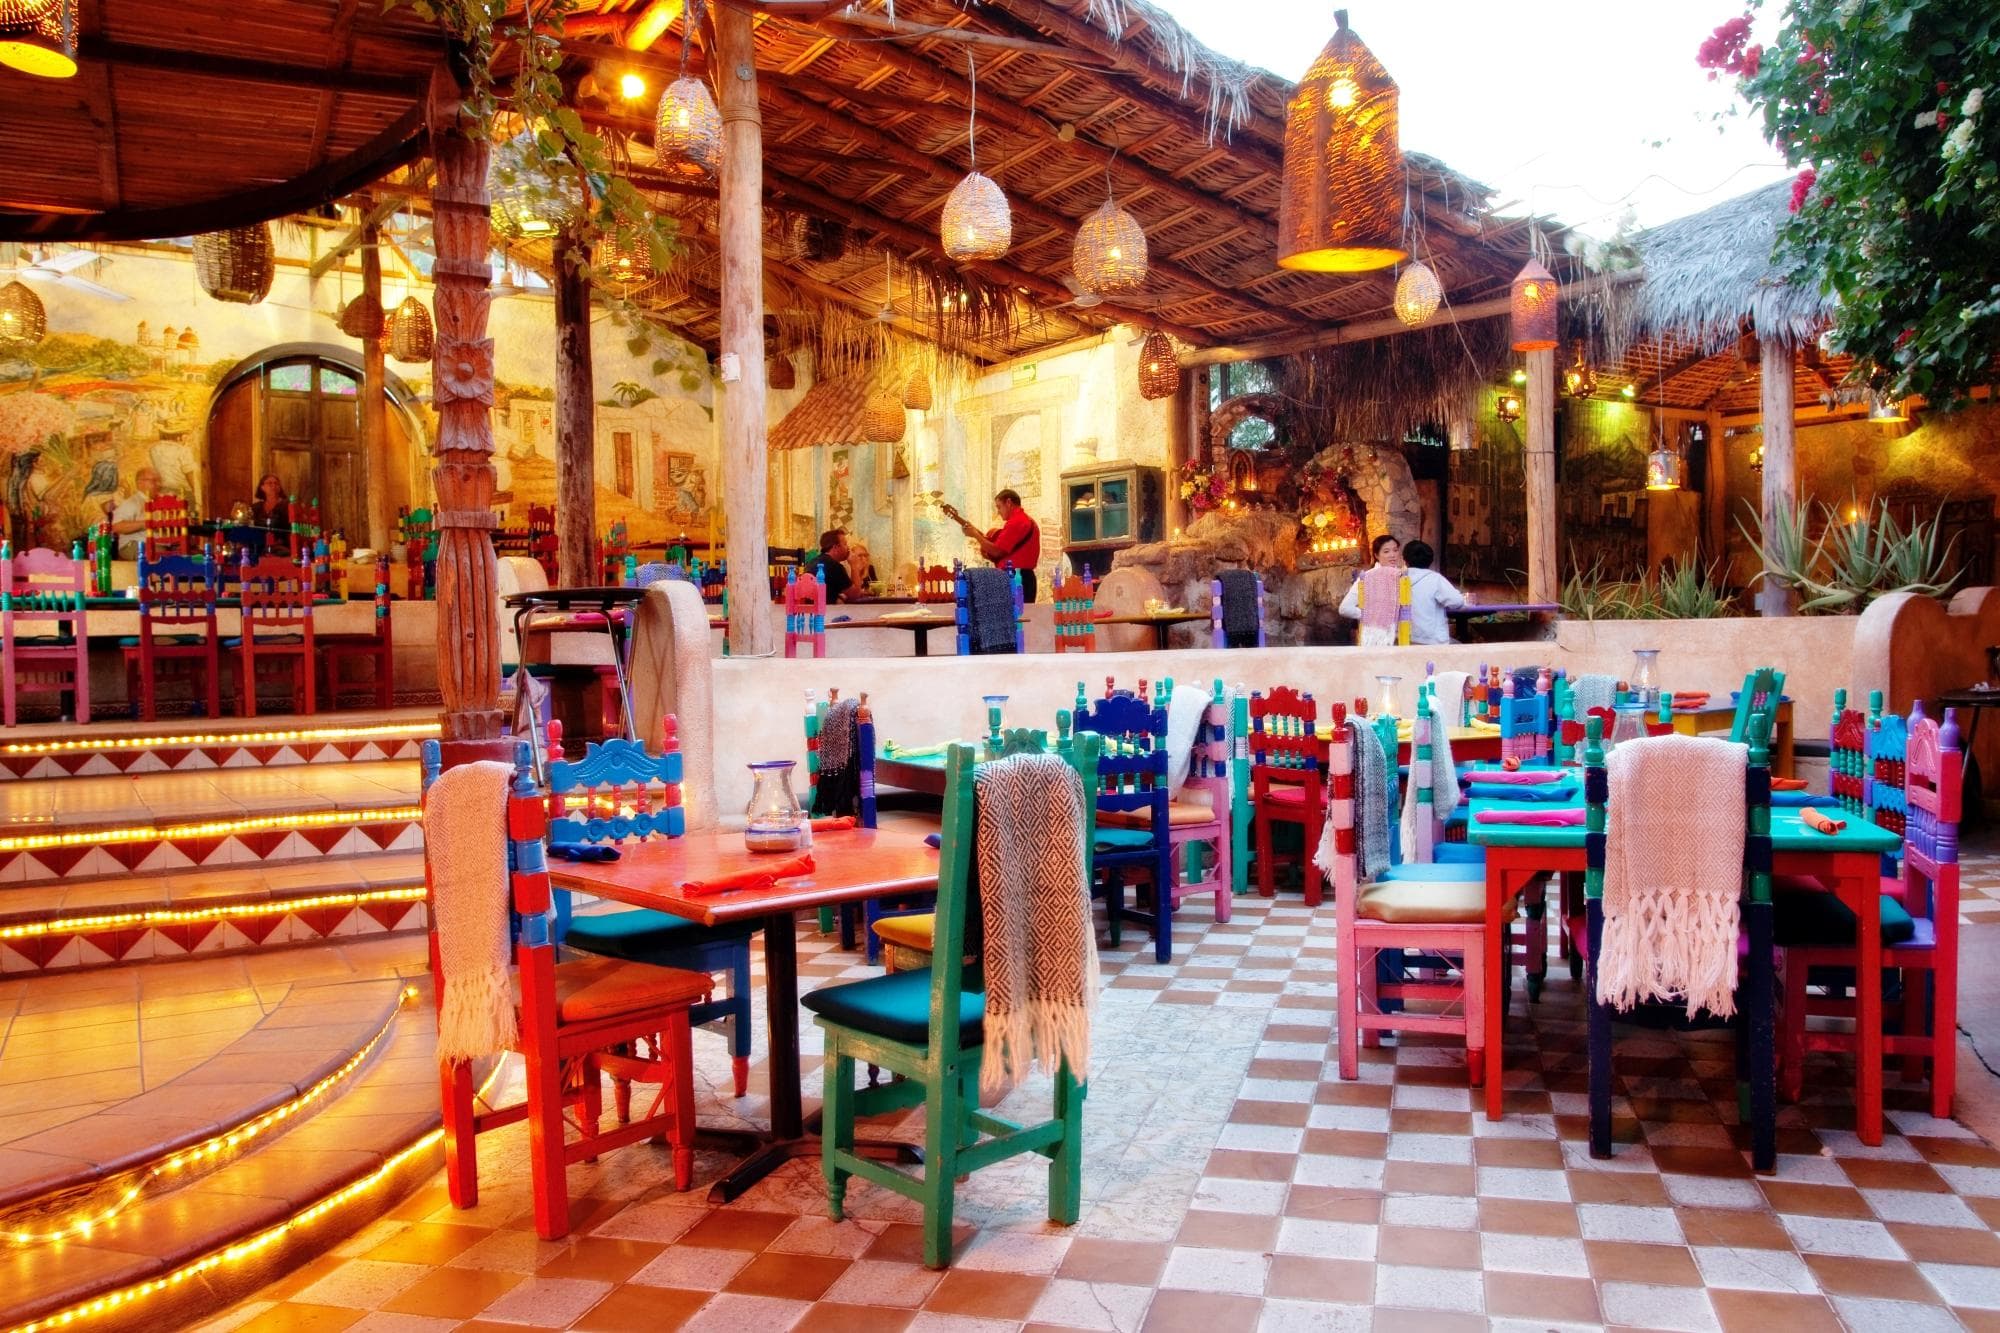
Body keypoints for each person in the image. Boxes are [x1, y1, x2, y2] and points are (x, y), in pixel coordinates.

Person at [953, 488, 1042, 603]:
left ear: (1009, 503)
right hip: (1023, 578)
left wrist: (975, 534)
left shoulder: (1017, 522)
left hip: (1015, 578)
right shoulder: (1027, 520)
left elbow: (996, 551)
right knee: (1021, 618)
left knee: (1011, 618)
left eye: (999, 507)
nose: (998, 511)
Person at [1401, 540, 1469, 646]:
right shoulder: (1435, 579)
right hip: (1433, 640)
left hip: (1406, 638)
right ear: (1431, 560)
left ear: (1405, 560)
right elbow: (1457, 602)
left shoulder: (1399, 579)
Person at [1337, 533, 1403, 637]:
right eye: (1386, 551)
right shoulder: (1367, 577)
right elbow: (1345, 608)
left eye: (1395, 550)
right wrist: (1372, 615)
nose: (1392, 555)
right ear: (1376, 555)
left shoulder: (1403, 576)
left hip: (1400, 635)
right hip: (1375, 636)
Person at [104, 466, 160, 560]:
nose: (157, 484)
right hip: (134, 545)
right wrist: (146, 523)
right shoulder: (133, 503)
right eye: (153, 481)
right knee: (162, 559)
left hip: (156, 545)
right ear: (140, 483)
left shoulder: (155, 501)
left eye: (158, 481)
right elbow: (116, 526)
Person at [815, 528, 853, 603]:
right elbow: (853, 596)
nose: (848, 548)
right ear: (835, 547)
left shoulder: (813, 562)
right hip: (828, 612)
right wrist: (855, 566)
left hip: (810, 612)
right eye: (845, 544)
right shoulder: (835, 566)